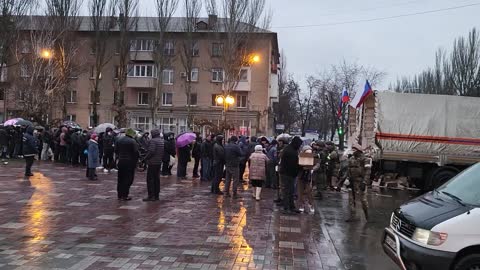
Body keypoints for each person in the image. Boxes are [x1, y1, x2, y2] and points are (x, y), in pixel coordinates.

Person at [279, 136, 303, 214]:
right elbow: (293, 164)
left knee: (290, 191)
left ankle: (291, 206)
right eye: (299, 145)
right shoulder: (291, 151)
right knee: (287, 191)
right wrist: (301, 167)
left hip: (288, 173)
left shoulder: (290, 149)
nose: (299, 146)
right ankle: (287, 208)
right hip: (288, 173)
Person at [115, 128, 139, 201]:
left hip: (121, 161)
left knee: (120, 178)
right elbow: (135, 152)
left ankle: (119, 195)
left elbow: (116, 150)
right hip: (129, 162)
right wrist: (136, 162)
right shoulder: (133, 141)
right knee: (128, 179)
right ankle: (125, 195)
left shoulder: (119, 140)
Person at [346, 146, 369, 222]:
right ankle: (353, 216)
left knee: (363, 200)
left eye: (354, 150)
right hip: (352, 181)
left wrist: (364, 182)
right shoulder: (351, 159)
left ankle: (366, 215)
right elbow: (348, 170)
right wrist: (347, 180)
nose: (353, 151)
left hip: (360, 182)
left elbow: (368, 172)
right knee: (351, 199)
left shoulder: (365, 159)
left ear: (359, 151)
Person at [142, 129, 164, 201]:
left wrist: (145, 158)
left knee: (150, 179)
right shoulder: (161, 140)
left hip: (152, 162)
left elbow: (151, 151)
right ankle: (156, 195)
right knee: (156, 179)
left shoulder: (153, 141)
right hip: (158, 162)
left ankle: (151, 196)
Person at [298, 146, 315, 214]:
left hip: (308, 176)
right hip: (301, 175)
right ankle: (301, 205)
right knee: (300, 191)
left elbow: (316, 164)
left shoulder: (313, 157)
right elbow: (298, 165)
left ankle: (311, 205)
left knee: (309, 191)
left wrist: (312, 169)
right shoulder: (300, 156)